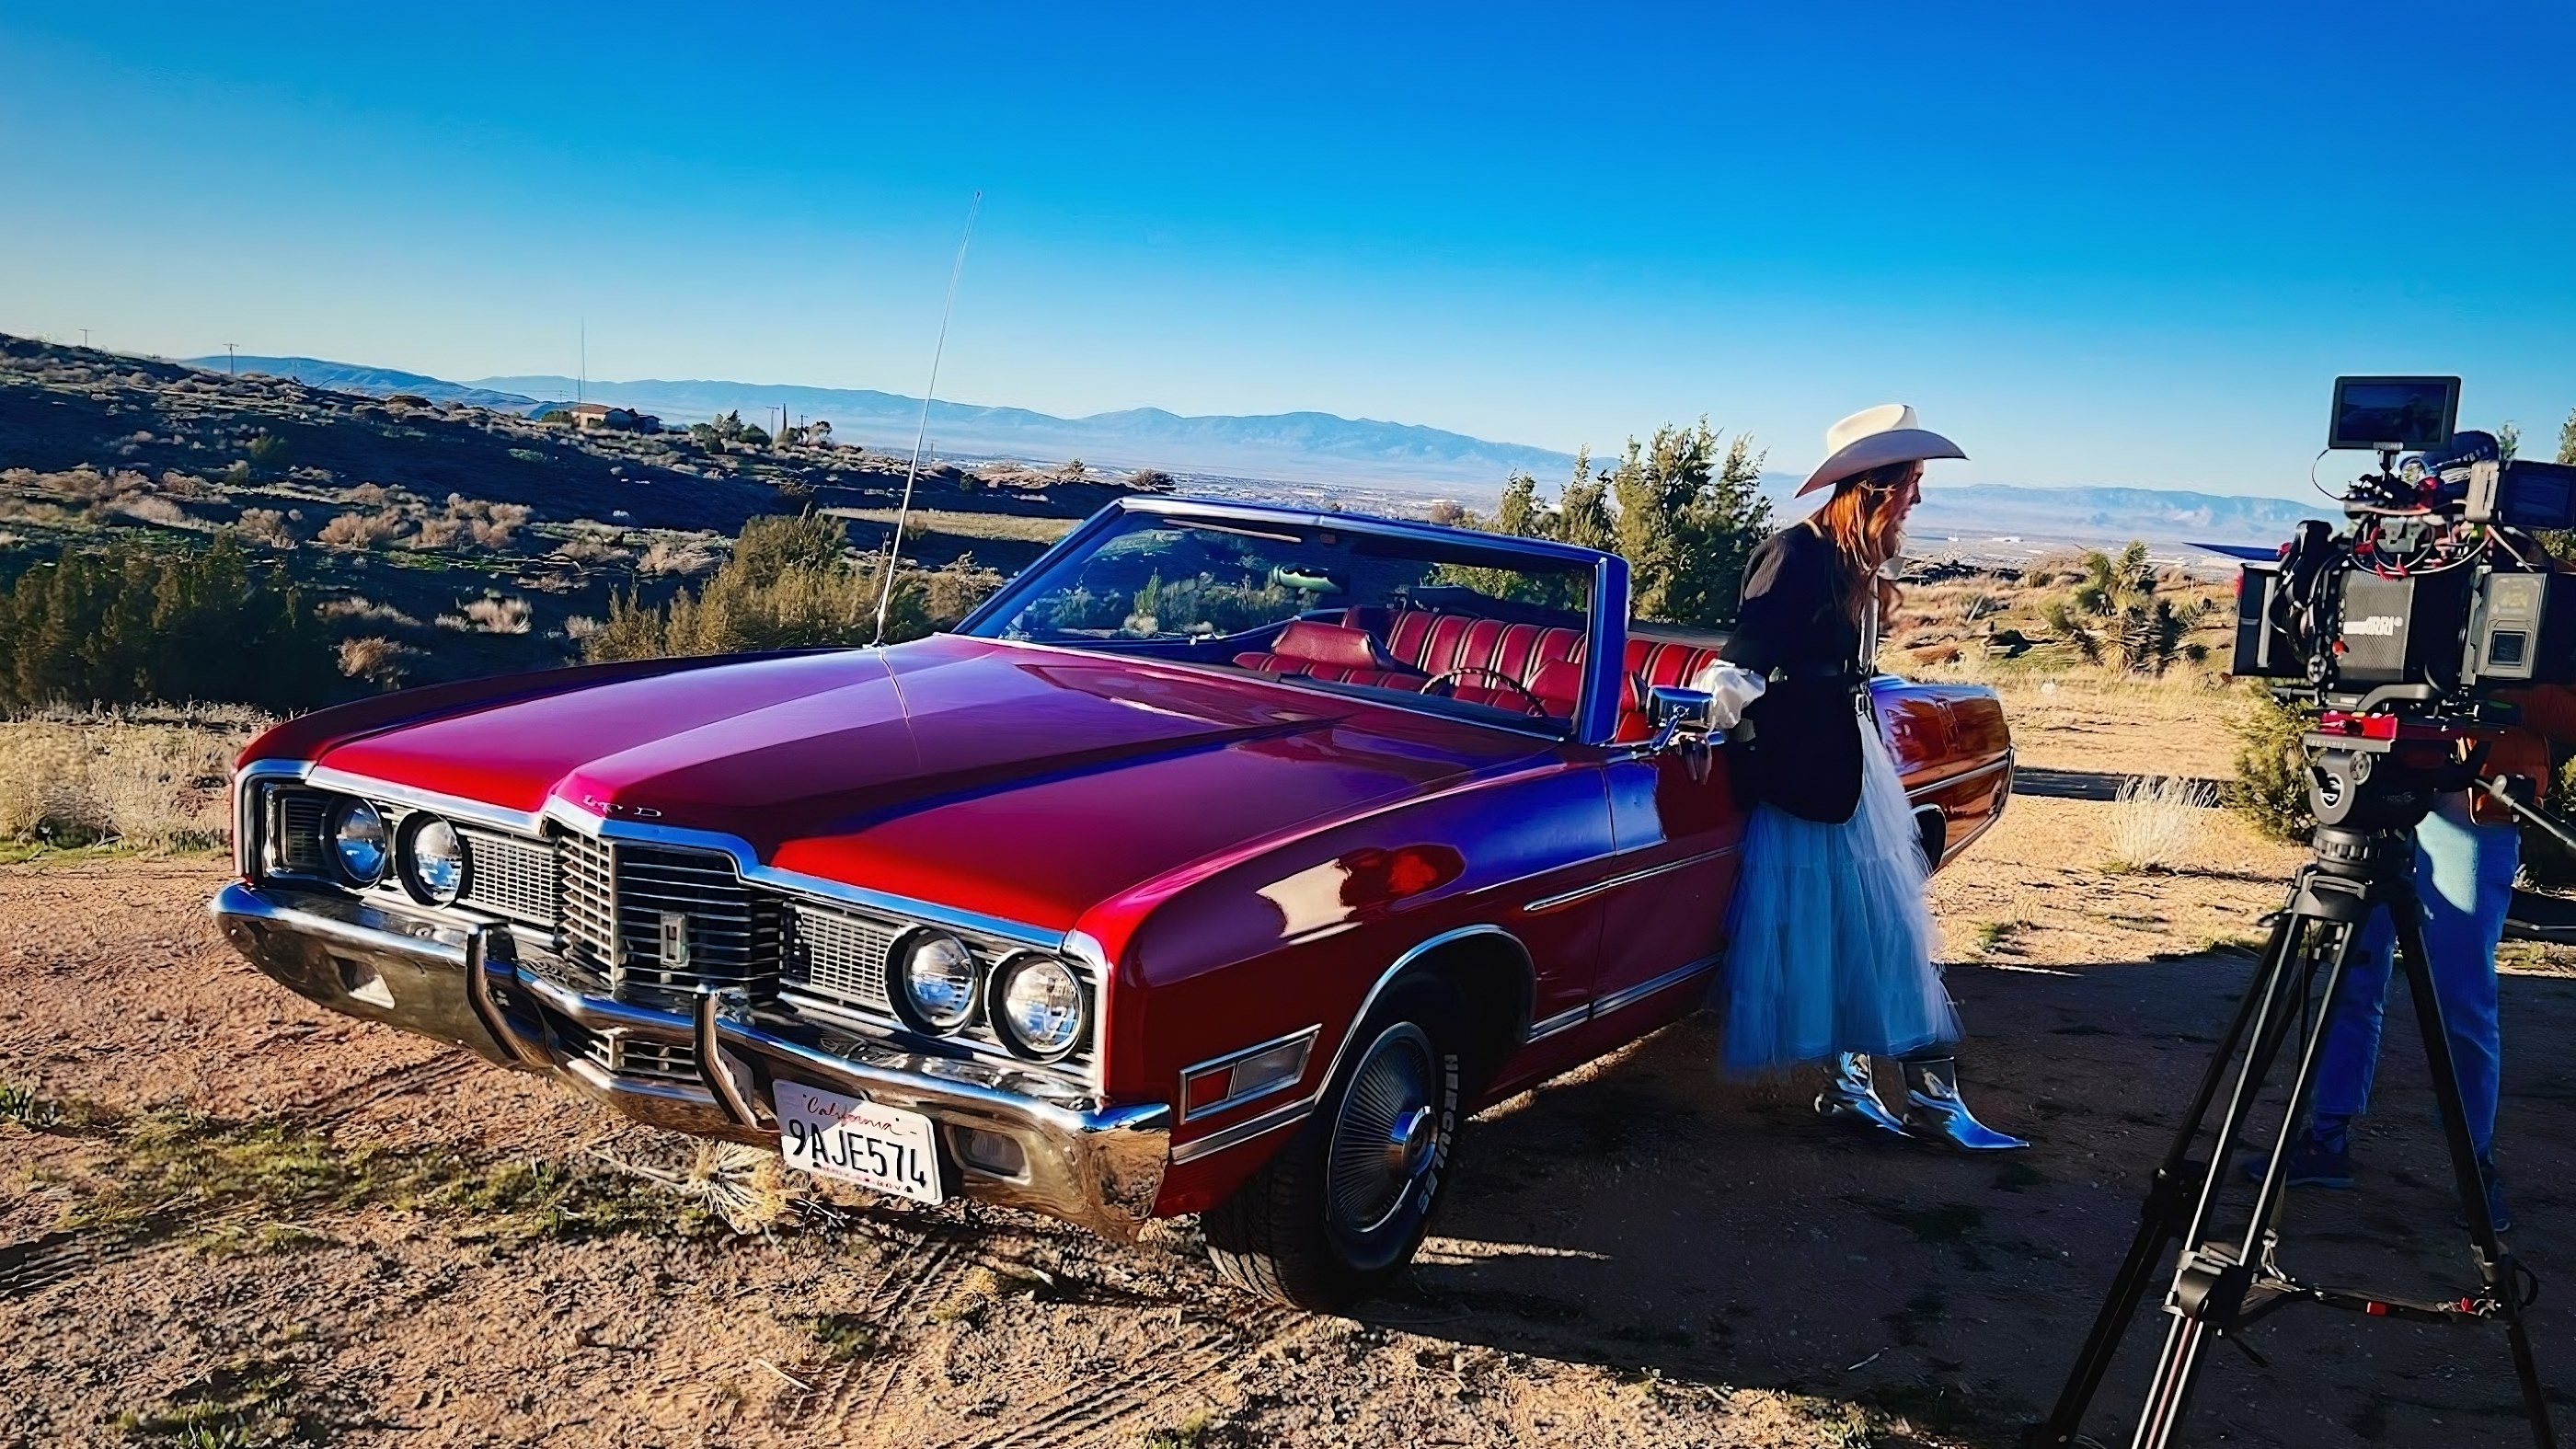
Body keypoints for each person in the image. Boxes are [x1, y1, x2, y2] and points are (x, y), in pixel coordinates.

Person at [1696, 404, 2027, 1151]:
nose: (1917, 496)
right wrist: (1707, 721)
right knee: (1875, 929)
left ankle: (1856, 1089)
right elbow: (1742, 658)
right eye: (1911, 481)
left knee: (1865, 925)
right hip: (1807, 767)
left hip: (1845, 757)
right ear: (1874, 486)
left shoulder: (1849, 559)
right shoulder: (1797, 554)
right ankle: (1924, 1103)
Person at [2261, 683, 2576, 1232]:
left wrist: (2488, 693)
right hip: (2376, 786)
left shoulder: (2540, 598)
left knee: (2462, 993)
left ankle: (2474, 1162)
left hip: (2473, 807)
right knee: (2350, 971)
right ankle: (2326, 1138)